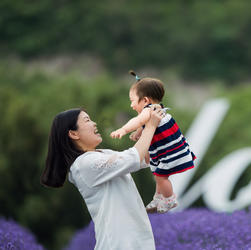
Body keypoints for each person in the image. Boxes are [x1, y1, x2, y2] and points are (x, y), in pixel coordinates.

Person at [41, 107, 164, 250]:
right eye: (87, 120)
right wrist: (150, 127)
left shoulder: (103, 154)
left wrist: (149, 131)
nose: (94, 124)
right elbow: (133, 158)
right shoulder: (83, 165)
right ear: (73, 133)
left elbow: (144, 158)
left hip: (135, 242)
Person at [110, 71, 196, 213]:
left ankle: (169, 199)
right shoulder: (157, 108)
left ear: (145, 100)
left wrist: (123, 130)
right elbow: (145, 124)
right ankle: (159, 197)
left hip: (167, 152)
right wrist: (138, 132)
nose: (131, 105)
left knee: (161, 178)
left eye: (132, 100)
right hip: (168, 149)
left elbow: (138, 120)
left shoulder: (148, 110)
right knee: (158, 174)